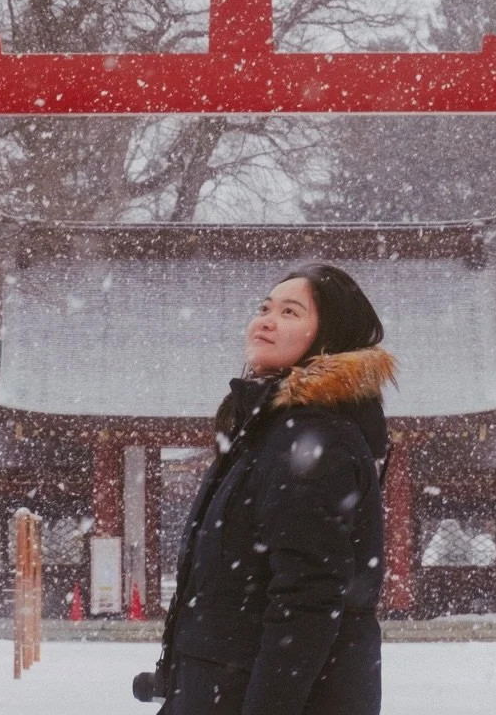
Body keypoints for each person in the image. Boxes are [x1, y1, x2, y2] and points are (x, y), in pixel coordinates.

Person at [138, 263, 395, 715]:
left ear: (328, 338)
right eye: (265, 307)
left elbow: (308, 598)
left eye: (291, 312)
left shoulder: (312, 439)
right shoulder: (266, 432)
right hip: (220, 689)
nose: (267, 320)